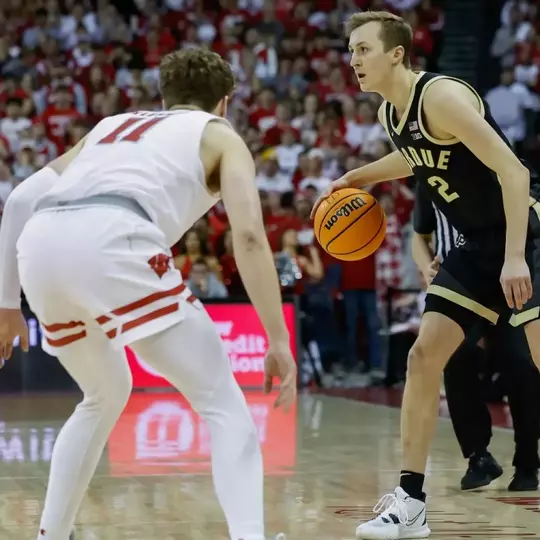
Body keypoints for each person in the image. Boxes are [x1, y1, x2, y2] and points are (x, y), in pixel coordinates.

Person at [0, 48, 295, 540]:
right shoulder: (220, 135)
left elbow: (22, 199)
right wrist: (278, 339)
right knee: (222, 401)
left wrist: (8, 306)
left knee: (103, 393)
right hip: (115, 236)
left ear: (162, 97)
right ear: (223, 103)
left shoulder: (112, 125)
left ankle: (52, 534)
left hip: (42, 245)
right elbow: (247, 238)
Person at [311, 10, 540, 540]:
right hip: (473, 251)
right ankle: (410, 501)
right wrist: (357, 176)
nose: (353, 60)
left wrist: (514, 257)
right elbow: (415, 157)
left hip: (522, 237)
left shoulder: (440, 97)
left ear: (396, 54)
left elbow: (514, 170)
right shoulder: (393, 114)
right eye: (349, 51)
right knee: (423, 355)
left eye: (363, 49)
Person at [412, 180, 540, 492]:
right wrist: (424, 266)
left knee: (521, 362)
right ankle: (477, 456)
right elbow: (419, 235)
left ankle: (527, 461)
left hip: (506, 278)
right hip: (461, 280)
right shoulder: (427, 170)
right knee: (455, 356)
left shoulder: (499, 162)